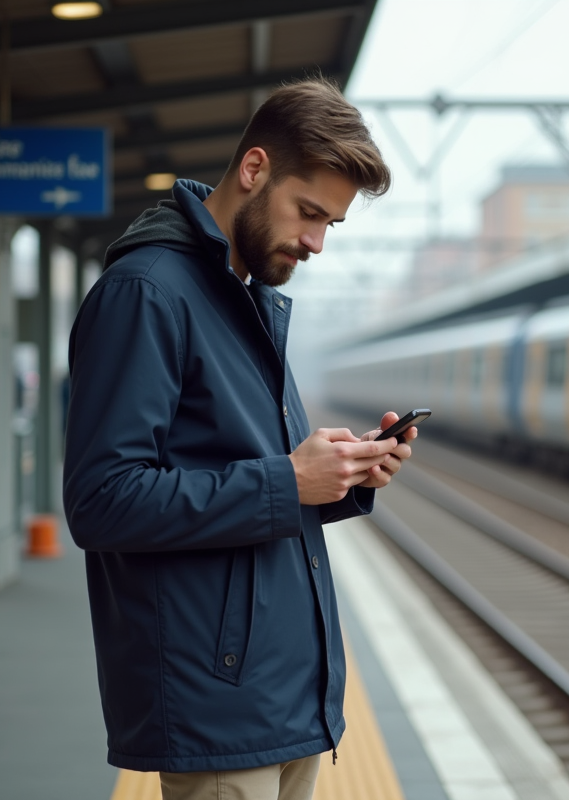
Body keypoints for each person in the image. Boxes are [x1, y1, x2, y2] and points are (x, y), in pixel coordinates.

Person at [64, 77, 414, 800]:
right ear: (255, 169)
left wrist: (340, 475)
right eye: (308, 213)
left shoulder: (242, 298)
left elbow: (253, 477)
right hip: (219, 707)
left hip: (284, 700)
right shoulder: (148, 292)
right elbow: (102, 500)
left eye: (330, 225)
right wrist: (290, 480)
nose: (316, 243)